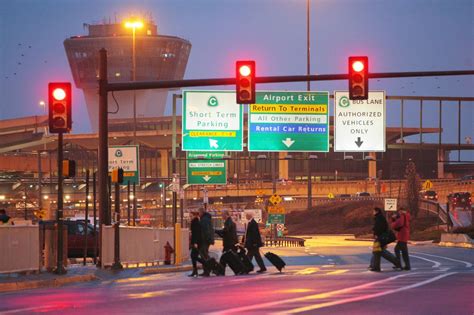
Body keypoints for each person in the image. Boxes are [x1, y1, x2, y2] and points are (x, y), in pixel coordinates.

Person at [370, 207, 400, 272]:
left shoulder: (379, 218)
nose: (373, 213)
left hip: (380, 238)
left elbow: (379, 228)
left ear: (377, 211)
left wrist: (376, 234)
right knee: (378, 252)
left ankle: (376, 267)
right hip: (381, 237)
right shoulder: (380, 218)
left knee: (379, 252)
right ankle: (375, 266)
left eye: (373, 211)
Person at [199, 207, 214, 277]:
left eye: (199, 213)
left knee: (203, 255)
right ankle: (207, 269)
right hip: (206, 240)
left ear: (201, 212)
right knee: (204, 254)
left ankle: (207, 270)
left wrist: (206, 239)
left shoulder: (204, 220)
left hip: (204, 240)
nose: (198, 214)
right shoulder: (207, 219)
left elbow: (205, 231)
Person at [188, 211, 204, 277]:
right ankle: (195, 271)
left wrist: (195, 243)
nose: (190, 217)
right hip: (197, 242)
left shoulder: (195, 222)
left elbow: (196, 233)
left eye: (191, 216)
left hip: (196, 242)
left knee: (193, 256)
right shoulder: (196, 222)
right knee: (193, 256)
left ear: (194, 216)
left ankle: (205, 264)